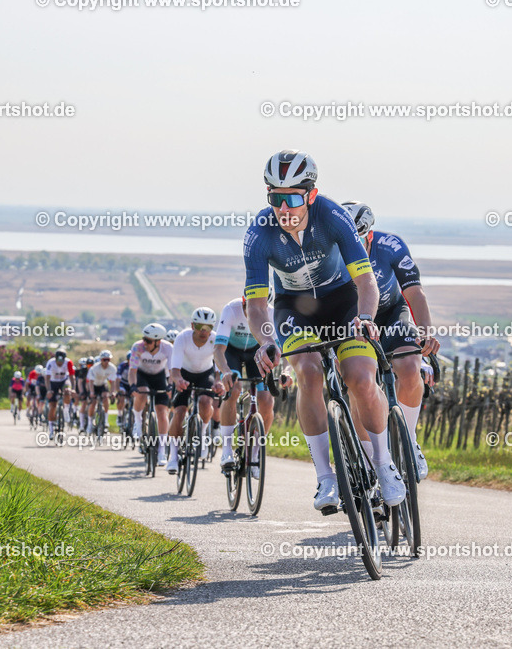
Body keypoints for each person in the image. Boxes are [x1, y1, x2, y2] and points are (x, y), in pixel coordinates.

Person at [244, 149, 405, 511]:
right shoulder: (259, 232)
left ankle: (384, 464)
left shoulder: (332, 215)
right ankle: (325, 477)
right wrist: (266, 340)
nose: (284, 209)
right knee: (308, 372)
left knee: (362, 378)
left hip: (342, 301)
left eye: (293, 198)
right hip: (294, 310)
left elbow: (366, 282)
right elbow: (256, 305)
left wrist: (364, 318)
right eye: (275, 198)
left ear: (311, 195)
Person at [342, 201, 441, 480]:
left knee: (410, 367)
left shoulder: (390, 245)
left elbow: (415, 293)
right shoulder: (330, 251)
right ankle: (370, 459)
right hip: (352, 319)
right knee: (358, 383)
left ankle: (408, 440)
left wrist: (425, 331)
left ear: (369, 233)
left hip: (389, 312)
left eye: (358, 238)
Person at [215, 292, 288, 473]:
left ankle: (255, 453)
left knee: (267, 400)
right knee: (233, 389)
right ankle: (226, 451)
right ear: (243, 301)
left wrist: (287, 371)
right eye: (249, 305)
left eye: (261, 306)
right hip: (231, 352)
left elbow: (283, 348)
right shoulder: (231, 309)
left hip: (256, 352)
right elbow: (218, 349)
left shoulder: (271, 314)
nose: (254, 311)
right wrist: (225, 372)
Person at [166, 308, 225, 474]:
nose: (203, 331)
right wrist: (178, 380)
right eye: (199, 326)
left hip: (205, 374)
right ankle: (173, 455)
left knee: (206, 402)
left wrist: (219, 382)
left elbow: (218, 366)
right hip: (183, 373)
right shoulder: (182, 338)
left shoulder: (215, 339)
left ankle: (203, 433)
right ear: (192, 325)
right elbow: (174, 368)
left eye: (208, 327)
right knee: (179, 411)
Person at [128, 323, 174, 466]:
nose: (145, 343)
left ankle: (161, 451)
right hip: (142, 375)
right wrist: (132, 386)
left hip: (159, 376)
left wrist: (171, 385)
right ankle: (137, 421)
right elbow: (132, 371)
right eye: (144, 339)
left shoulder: (168, 348)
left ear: (158, 341)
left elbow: (172, 370)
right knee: (142, 393)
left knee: (162, 412)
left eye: (148, 341)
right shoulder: (138, 347)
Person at [85, 350, 118, 434]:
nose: (106, 362)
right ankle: (89, 424)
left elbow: (113, 382)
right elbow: (90, 382)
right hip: (94, 385)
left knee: (105, 398)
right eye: (104, 360)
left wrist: (113, 392)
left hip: (103, 384)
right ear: (101, 360)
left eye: (108, 359)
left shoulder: (112, 368)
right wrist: (92, 393)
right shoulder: (95, 368)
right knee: (93, 403)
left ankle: (105, 420)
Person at [44, 349, 75, 433]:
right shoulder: (50, 363)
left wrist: (73, 389)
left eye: (62, 361)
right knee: (52, 406)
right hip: (53, 382)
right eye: (58, 360)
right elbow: (47, 378)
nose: (60, 363)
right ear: (55, 358)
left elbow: (72, 376)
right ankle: (51, 429)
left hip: (64, 381)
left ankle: (66, 410)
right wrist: (49, 390)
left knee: (67, 391)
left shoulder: (68, 362)